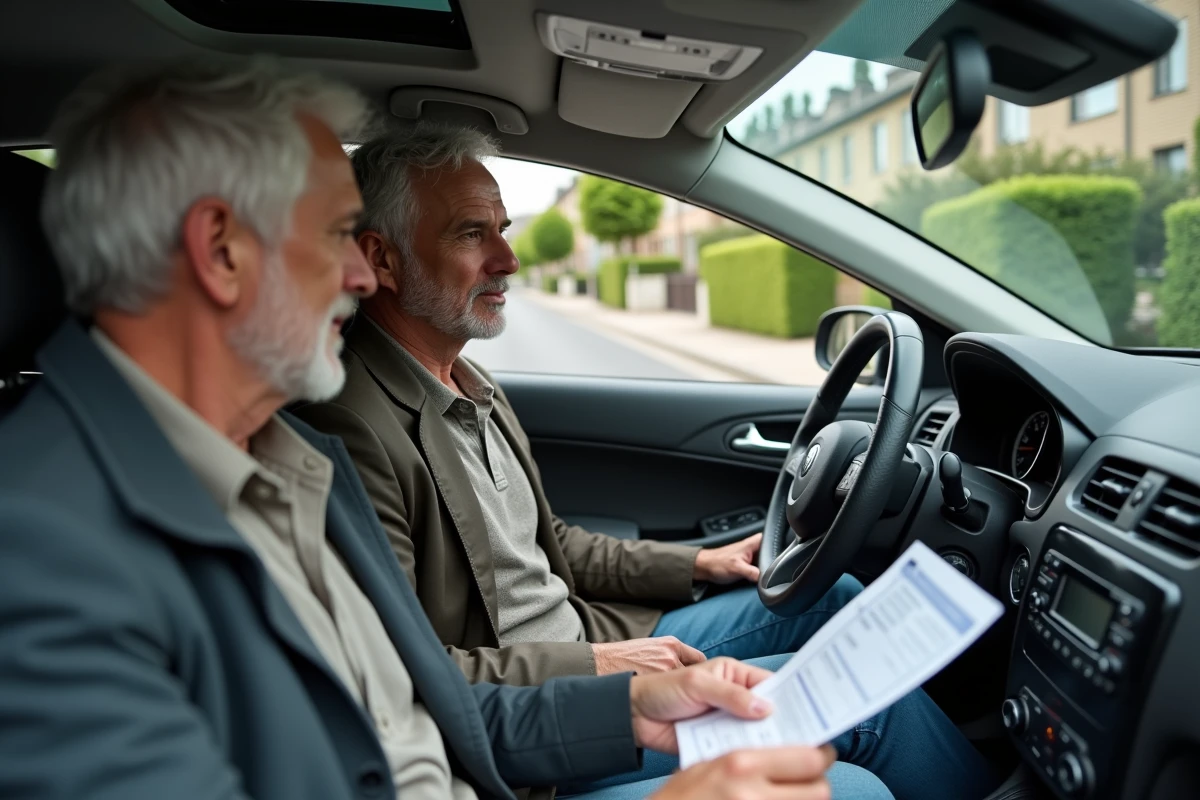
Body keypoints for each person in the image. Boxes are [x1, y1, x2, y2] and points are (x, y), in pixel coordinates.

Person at [0, 58, 884, 800]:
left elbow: (425, 704)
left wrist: (634, 707)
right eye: (340, 234)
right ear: (222, 250)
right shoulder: (40, 558)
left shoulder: (283, 461)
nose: (359, 272)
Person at [294, 123, 999, 800]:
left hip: (589, 642)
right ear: (382, 259)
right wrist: (596, 669)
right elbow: (404, 673)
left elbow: (554, 545)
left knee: (836, 599)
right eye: (471, 233)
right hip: (532, 723)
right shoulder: (351, 424)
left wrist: (698, 564)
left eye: (502, 231)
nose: (508, 259)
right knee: (861, 742)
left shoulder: (472, 384)